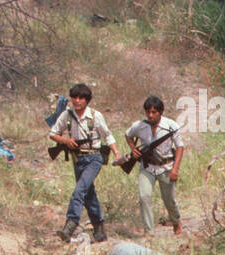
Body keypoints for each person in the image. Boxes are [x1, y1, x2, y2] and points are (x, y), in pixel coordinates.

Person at [50, 82, 118, 243]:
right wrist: (66, 141)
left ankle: (70, 225)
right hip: (77, 158)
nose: (77, 101)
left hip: (94, 158)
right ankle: (99, 228)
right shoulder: (66, 115)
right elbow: (53, 133)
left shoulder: (95, 116)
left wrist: (116, 152)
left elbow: (107, 135)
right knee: (88, 195)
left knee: (79, 190)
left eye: (81, 98)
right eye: (74, 97)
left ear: (87, 100)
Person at [125, 95, 184, 235]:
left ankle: (176, 221)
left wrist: (175, 169)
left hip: (166, 167)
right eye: (148, 112)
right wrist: (133, 149)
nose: (150, 115)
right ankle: (149, 232)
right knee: (144, 197)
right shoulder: (139, 126)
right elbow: (128, 135)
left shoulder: (171, 126)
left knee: (169, 200)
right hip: (147, 167)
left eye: (154, 112)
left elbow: (180, 147)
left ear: (160, 112)